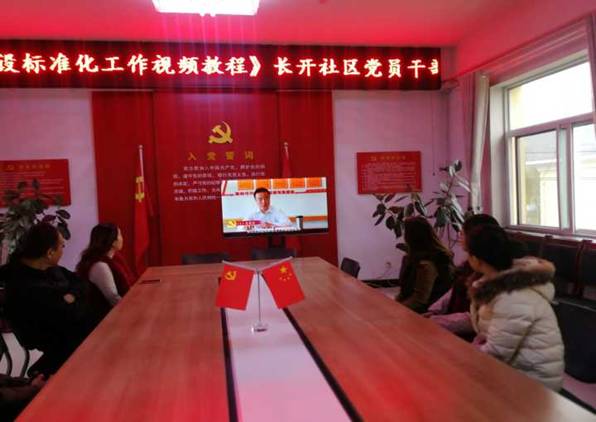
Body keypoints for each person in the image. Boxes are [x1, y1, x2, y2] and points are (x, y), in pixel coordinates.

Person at [467, 224, 564, 391]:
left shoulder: (512, 297)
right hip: (515, 372)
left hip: (536, 385)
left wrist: (462, 358)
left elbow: (497, 353)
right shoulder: (498, 284)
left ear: (476, 259)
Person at [3, 223, 108, 376]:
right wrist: (73, 299)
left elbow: (82, 283)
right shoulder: (21, 283)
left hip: (70, 328)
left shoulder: (50, 268)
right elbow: (69, 314)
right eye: (62, 246)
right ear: (50, 253)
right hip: (57, 337)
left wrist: (71, 296)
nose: (63, 250)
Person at [424, 214, 500, 338]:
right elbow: (454, 290)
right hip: (451, 321)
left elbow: (474, 318)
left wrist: (436, 321)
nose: (459, 235)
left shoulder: (489, 271)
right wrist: (434, 311)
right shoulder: (469, 265)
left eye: (463, 233)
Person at [395, 216, 454, 313]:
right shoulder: (410, 258)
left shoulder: (427, 264)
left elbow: (419, 300)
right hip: (412, 307)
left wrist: (396, 311)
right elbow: (403, 292)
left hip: (427, 312)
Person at [76, 223, 134, 306]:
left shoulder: (113, 258)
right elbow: (113, 298)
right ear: (113, 241)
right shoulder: (100, 266)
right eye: (120, 235)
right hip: (109, 312)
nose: (122, 238)